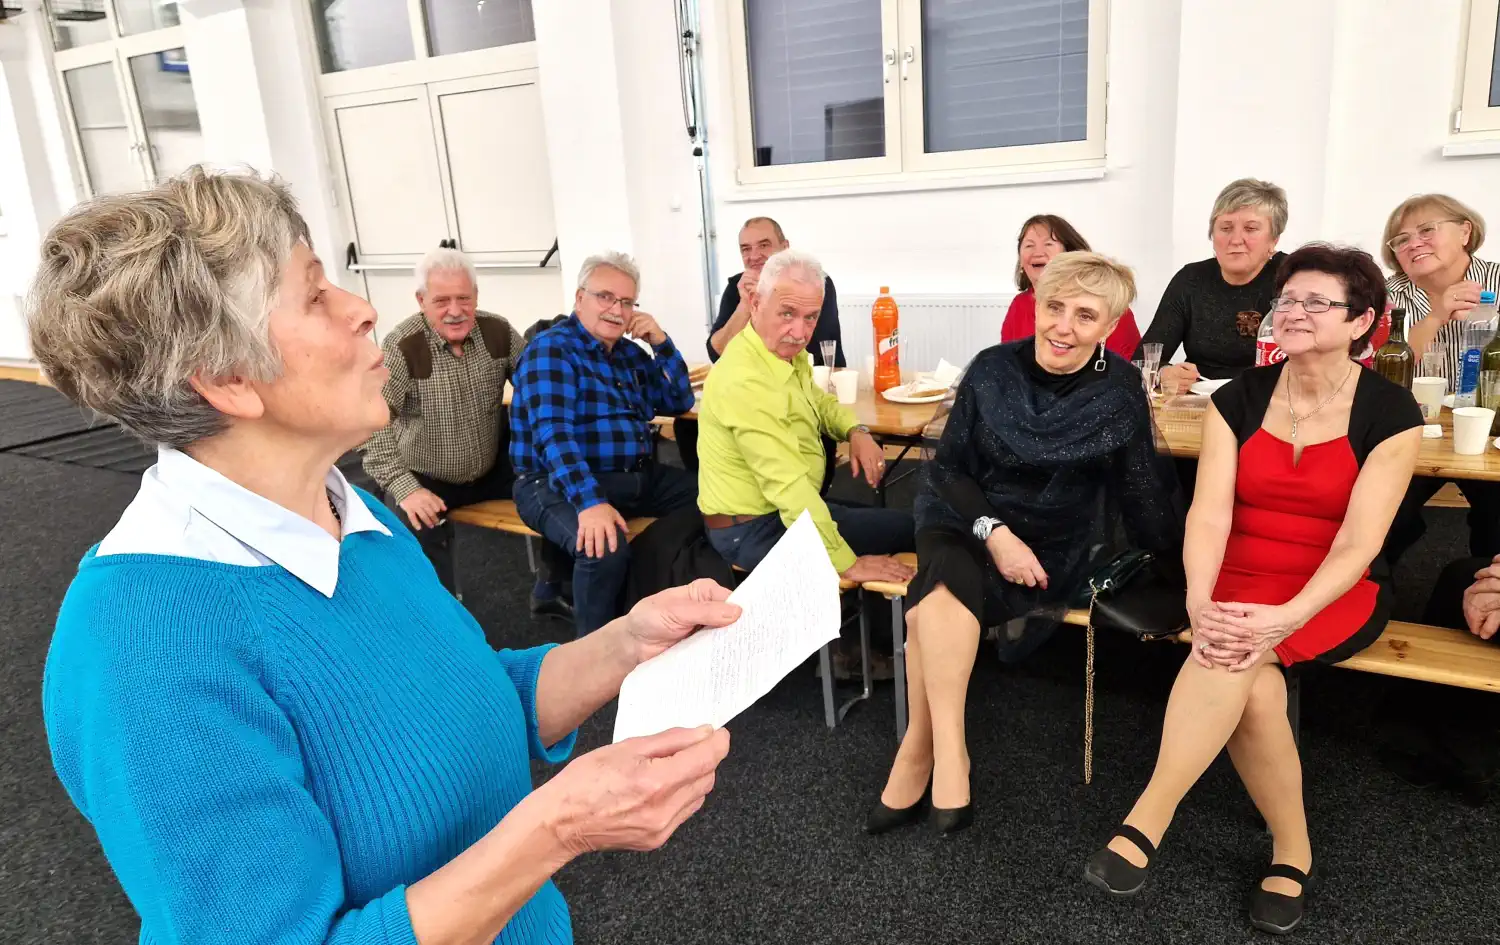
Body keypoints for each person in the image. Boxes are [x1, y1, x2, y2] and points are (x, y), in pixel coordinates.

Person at [28, 166, 735, 945]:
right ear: (226, 380)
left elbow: (471, 691)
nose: (363, 309)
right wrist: (556, 829)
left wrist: (627, 641)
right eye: (315, 293)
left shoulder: (348, 508)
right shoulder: (141, 651)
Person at [1086, 244, 1422, 935]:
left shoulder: (1391, 410)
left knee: (1233, 655)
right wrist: (1200, 600)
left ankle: (1149, 817)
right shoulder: (1237, 398)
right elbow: (1209, 513)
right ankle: (1292, 848)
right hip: (1236, 578)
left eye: (1316, 302)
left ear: (1362, 321)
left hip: (1331, 589)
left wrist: (1284, 618)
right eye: (1287, 299)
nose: (1294, 312)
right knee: (1255, 680)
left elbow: (1360, 544)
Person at [867, 252, 1183, 838]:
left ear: (1110, 327)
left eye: (1084, 316)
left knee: (932, 605)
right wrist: (996, 533)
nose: (1063, 326)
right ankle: (948, 755)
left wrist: (1180, 566)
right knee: (944, 576)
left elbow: (1141, 490)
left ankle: (918, 746)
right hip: (965, 516)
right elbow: (950, 471)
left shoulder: (1119, 390)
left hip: (1053, 537)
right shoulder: (991, 368)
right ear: (1036, 304)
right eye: (1053, 307)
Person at [698, 249, 916, 671]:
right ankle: (850, 652)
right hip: (752, 528)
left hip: (778, 512)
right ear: (756, 304)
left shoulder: (780, 354)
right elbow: (790, 490)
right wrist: (847, 562)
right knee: (899, 529)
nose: (799, 332)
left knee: (897, 521)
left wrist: (857, 431)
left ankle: (866, 640)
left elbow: (820, 401)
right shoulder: (745, 380)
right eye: (787, 314)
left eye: (811, 318)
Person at [362, 247, 570, 615]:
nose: (455, 310)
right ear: (421, 300)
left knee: (559, 490)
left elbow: (539, 383)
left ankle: (550, 589)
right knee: (413, 532)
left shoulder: (498, 331)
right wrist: (406, 489)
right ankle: (439, 619)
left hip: (492, 468)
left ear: (476, 296)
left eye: (464, 298)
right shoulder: (401, 346)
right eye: (442, 300)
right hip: (428, 476)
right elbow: (370, 422)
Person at [510, 252, 699, 636]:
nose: (617, 310)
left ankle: (645, 588)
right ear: (580, 299)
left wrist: (661, 344)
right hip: (552, 481)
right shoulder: (552, 349)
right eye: (606, 297)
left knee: (718, 498)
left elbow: (678, 400)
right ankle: (591, 654)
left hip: (633, 476)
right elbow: (553, 434)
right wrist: (590, 502)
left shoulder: (628, 354)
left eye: (627, 302)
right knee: (603, 548)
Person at [1379, 194, 1500, 566]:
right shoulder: (1389, 294)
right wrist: (1434, 316)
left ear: (1465, 231)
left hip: (1492, 427)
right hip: (1416, 426)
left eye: (1427, 230)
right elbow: (1383, 366)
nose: (1413, 243)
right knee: (1385, 513)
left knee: (1496, 519)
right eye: (1401, 240)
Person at [1147, 178, 1290, 391]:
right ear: (1212, 235)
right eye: (1225, 227)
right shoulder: (1191, 279)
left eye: (1250, 229)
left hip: (1271, 399)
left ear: (1274, 240)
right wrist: (1163, 374)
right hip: (1202, 400)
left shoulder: (1293, 278)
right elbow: (1145, 358)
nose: (1235, 239)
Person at [706, 216, 844, 367]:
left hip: (815, 376)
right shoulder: (737, 287)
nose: (754, 256)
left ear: (784, 247)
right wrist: (746, 304)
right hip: (755, 381)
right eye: (746, 249)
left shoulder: (812, 281)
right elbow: (717, 354)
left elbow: (810, 348)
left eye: (764, 245)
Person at [999, 214, 1140, 358]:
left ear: (1069, 254)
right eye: (1029, 245)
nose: (1038, 252)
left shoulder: (1107, 304)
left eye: (1048, 244)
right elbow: (1007, 364)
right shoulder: (1019, 305)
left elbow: (1128, 369)